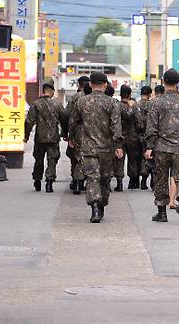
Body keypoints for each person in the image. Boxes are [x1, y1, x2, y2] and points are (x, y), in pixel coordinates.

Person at [144, 69, 179, 224]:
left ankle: (161, 213)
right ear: (177, 82)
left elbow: (151, 127)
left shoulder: (156, 102)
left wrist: (149, 147)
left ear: (163, 81)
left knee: (160, 178)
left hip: (161, 147)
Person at [69, 72, 124, 223]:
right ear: (105, 84)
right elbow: (116, 126)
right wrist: (118, 145)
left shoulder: (81, 102)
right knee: (105, 178)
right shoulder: (112, 103)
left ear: (91, 85)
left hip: (88, 147)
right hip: (107, 148)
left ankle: (94, 207)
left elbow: (73, 122)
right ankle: (101, 205)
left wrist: (72, 138)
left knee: (92, 177)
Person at [24, 81, 67, 193]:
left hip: (39, 138)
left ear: (43, 91)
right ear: (52, 91)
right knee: (52, 160)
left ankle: (37, 181)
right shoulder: (57, 104)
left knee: (38, 160)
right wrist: (65, 133)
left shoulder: (36, 104)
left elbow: (29, 121)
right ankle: (49, 183)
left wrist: (26, 135)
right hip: (53, 138)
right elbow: (64, 119)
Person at [66, 75, 90, 194]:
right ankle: (83, 180)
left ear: (78, 85)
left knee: (76, 157)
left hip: (77, 130)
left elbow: (68, 115)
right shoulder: (91, 97)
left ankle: (76, 182)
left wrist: (68, 134)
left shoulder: (75, 98)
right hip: (91, 130)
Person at [119, 85, 145, 189]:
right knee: (133, 159)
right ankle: (133, 181)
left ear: (120, 94)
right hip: (133, 137)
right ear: (130, 94)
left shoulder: (116, 105)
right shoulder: (135, 106)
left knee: (119, 159)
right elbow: (140, 123)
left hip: (120, 136)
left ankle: (119, 182)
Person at [137, 85, 153, 190]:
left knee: (140, 158)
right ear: (150, 94)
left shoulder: (135, 105)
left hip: (137, 136)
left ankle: (140, 181)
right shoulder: (152, 105)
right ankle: (150, 181)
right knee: (151, 158)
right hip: (149, 135)